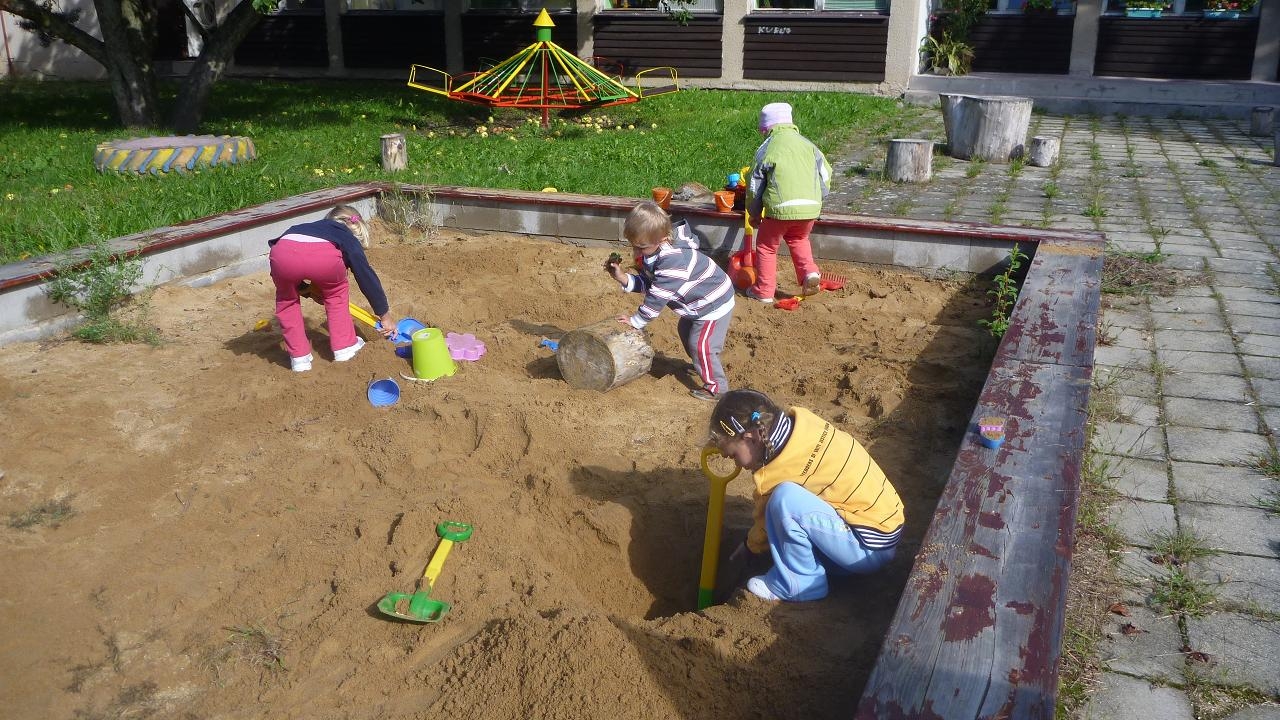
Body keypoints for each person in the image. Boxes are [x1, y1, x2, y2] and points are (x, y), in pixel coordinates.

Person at [707, 388, 904, 602]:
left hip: (867, 548)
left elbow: (763, 525)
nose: (737, 464)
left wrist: (748, 548)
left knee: (785, 500)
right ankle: (816, 566)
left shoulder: (778, 471)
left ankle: (802, 584)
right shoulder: (803, 425)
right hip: (884, 528)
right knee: (789, 509)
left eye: (734, 455)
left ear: (751, 438)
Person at [605, 201, 736, 401]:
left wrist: (636, 321)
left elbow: (656, 298)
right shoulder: (656, 251)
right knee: (685, 331)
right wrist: (623, 278)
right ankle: (703, 364)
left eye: (641, 247)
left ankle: (717, 387)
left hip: (712, 304)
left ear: (663, 239)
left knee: (701, 345)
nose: (637, 253)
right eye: (634, 246)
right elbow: (652, 283)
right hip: (696, 303)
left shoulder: (673, 260)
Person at [268, 205, 394, 372]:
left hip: (281, 251)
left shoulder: (308, 227)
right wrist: (385, 316)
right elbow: (366, 277)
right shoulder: (347, 236)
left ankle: (299, 359)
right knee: (336, 294)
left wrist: (306, 289)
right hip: (324, 258)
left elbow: (290, 265)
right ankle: (345, 347)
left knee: (286, 300)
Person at [744, 102, 833, 304]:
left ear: (766, 128)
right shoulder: (809, 145)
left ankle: (764, 291)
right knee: (799, 239)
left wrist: (754, 212)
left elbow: (754, 184)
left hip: (779, 209)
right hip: (809, 208)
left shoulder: (767, 148)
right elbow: (826, 173)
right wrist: (816, 198)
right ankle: (809, 273)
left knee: (767, 247)